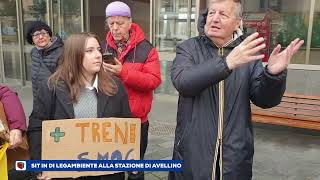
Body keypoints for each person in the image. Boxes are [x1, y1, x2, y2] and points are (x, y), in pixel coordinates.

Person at [169, 0, 304, 180]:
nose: (214, 19)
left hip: (235, 155)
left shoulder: (248, 53)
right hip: (193, 152)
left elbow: (264, 100)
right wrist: (226, 63)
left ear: (237, 22)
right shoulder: (188, 48)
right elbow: (183, 82)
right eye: (211, 13)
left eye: (223, 14)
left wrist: (272, 74)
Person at [27, 32, 132, 180]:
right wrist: (40, 166)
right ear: (74, 56)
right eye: (89, 51)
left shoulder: (115, 86)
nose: (98, 55)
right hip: (66, 173)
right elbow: (37, 127)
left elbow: (127, 126)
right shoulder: (52, 87)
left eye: (98, 50)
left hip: (107, 173)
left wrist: (131, 158)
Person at [103, 2, 161, 180]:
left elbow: (154, 81)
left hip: (136, 121)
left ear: (129, 22)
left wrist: (123, 72)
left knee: (135, 170)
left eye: (119, 23)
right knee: (111, 167)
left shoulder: (147, 49)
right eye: (111, 23)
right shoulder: (103, 47)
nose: (114, 28)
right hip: (108, 118)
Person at [26, 20, 64, 120]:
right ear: (32, 39)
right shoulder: (34, 52)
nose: (41, 37)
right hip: (38, 105)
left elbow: (63, 84)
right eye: (36, 35)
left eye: (43, 33)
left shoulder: (62, 53)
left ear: (49, 35)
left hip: (57, 107)